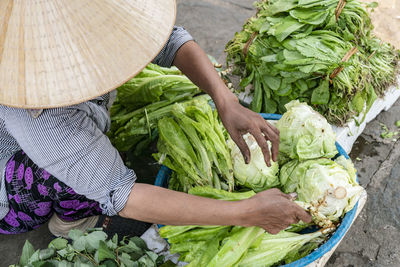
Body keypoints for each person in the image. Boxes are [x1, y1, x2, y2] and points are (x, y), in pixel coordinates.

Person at [0, 0, 311, 238]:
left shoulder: (92, 15)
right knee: (67, 176)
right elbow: (122, 195)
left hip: (53, 137)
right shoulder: (36, 112)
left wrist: (225, 100)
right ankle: (74, 221)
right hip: (11, 185)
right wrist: (246, 212)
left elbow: (168, 41)